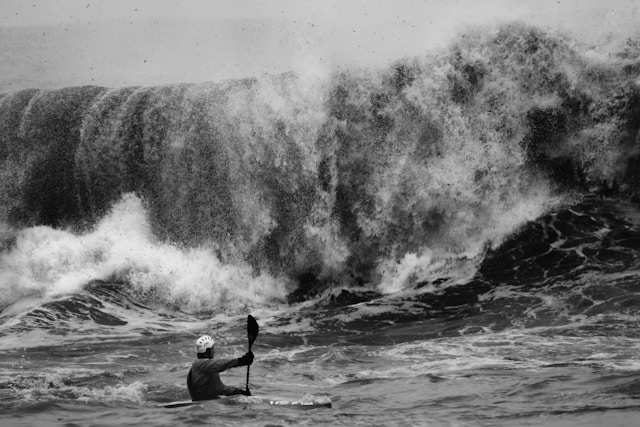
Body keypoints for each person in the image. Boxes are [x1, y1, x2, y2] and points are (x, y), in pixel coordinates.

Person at [187, 335, 254, 401]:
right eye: (212, 348)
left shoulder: (208, 367)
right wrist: (240, 361)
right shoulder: (200, 364)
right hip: (204, 404)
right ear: (207, 350)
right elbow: (219, 365)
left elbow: (219, 388)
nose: (214, 351)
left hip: (210, 402)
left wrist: (237, 392)